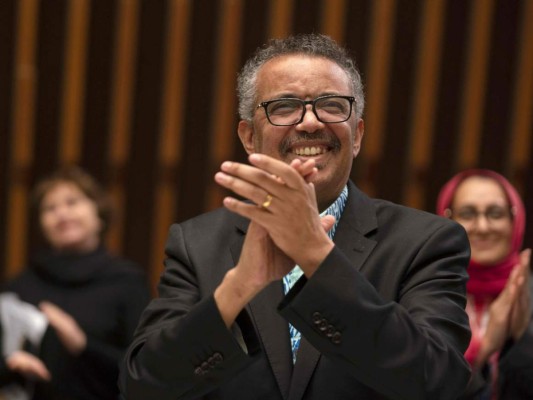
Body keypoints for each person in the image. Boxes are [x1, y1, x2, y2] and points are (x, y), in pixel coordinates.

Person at [119, 33, 471, 399]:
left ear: (357, 135)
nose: (310, 122)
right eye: (285, 106)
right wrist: (238, 287)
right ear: (249, 137)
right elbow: (143, 386)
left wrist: (318, 258)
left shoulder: (427, 241)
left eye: (332, 105)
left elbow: (439, 381)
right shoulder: (196, 243)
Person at [0, 166, 151, 400]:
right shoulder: (22, 285)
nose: (61, 214)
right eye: (50, 208)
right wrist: (10, 365)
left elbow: (147, 370)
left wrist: (83, 346)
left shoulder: (126, 282)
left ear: (99, 213)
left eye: (72, 202)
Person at [437, 169, 532, 399]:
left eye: (496, 213)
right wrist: (485, 349)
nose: (483, 226)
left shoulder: (526, 291)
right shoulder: (426, 290)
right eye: (468, 214)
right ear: (446, 219)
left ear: (514, 220)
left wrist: (522, 339)